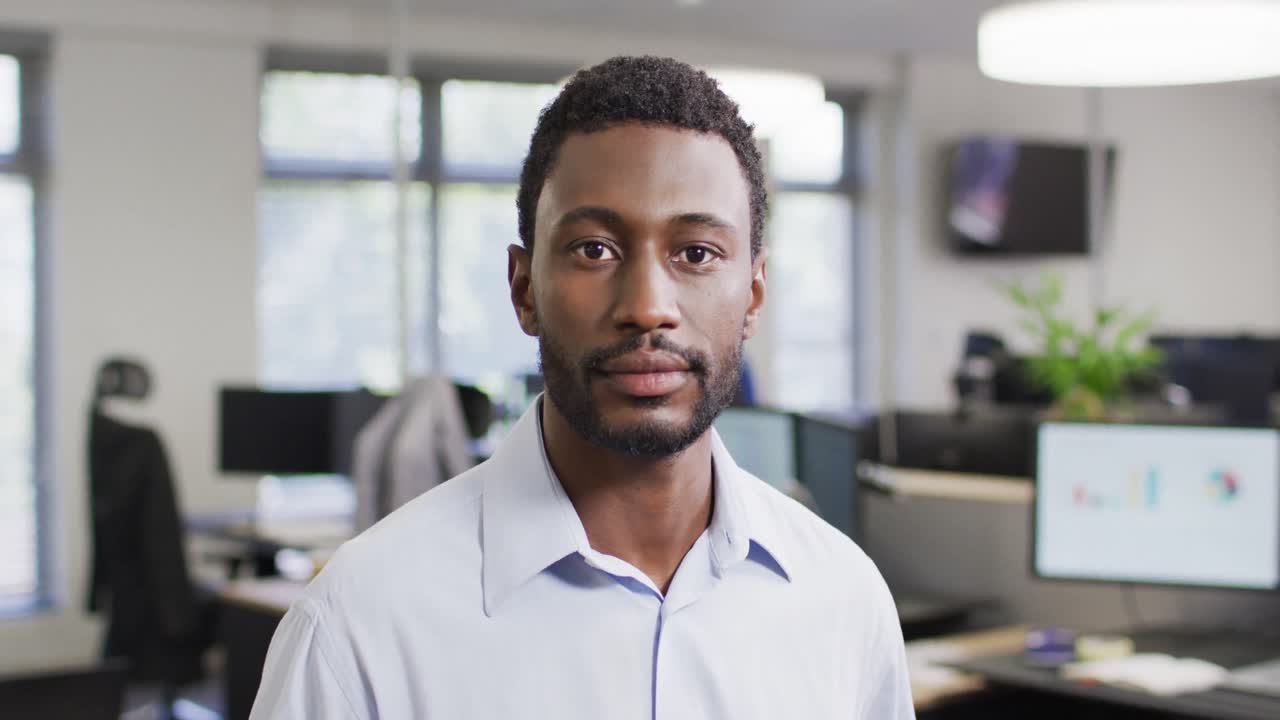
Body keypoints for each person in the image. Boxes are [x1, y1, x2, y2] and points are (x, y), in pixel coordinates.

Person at [251, 55, 913, 720]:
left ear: (754, 295)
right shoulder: (357, 625)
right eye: (595, 249)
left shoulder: (843, 599)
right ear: (524, 288)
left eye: (697, 253)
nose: (648, 307)